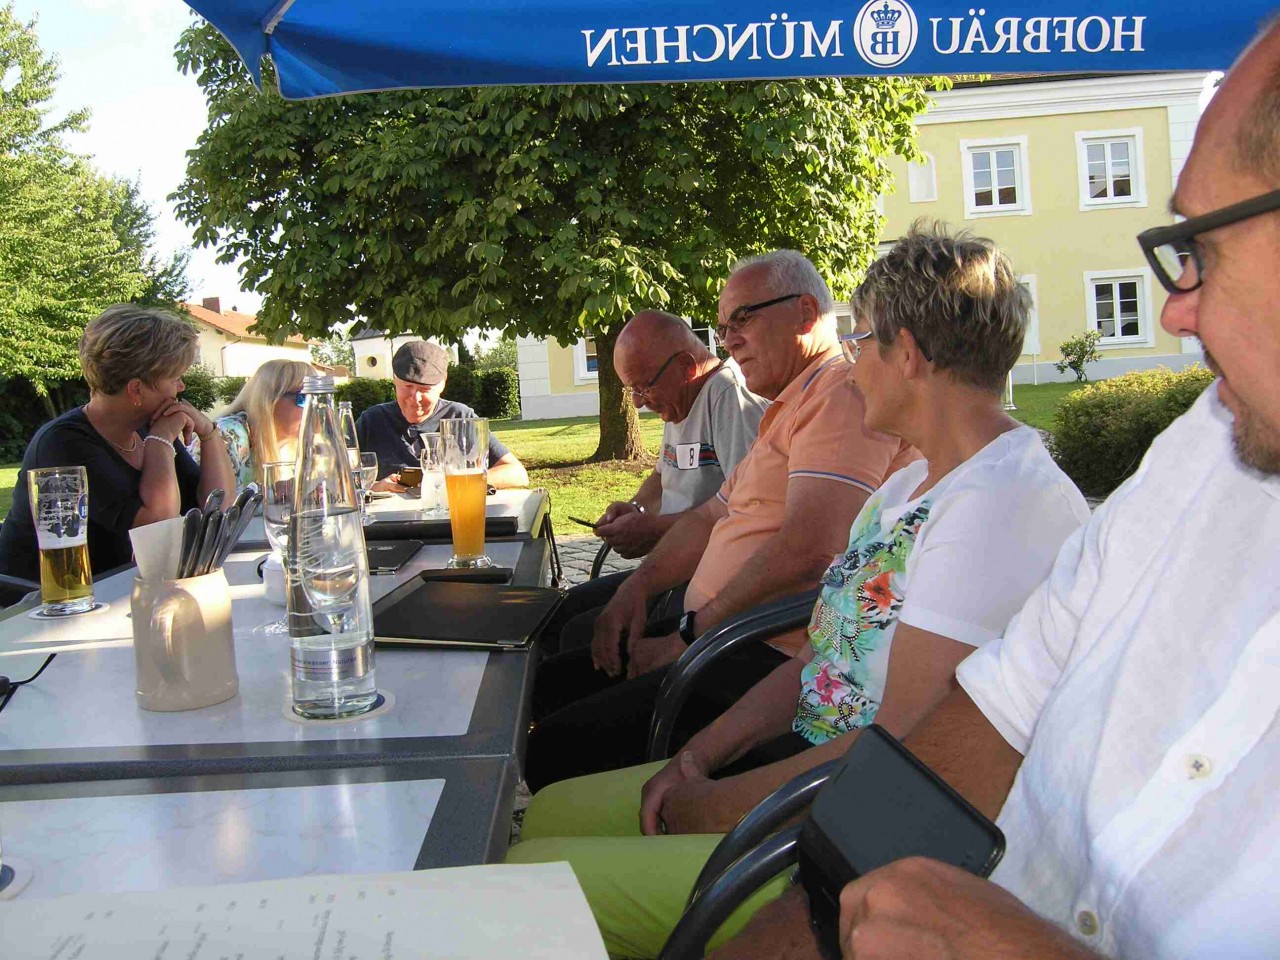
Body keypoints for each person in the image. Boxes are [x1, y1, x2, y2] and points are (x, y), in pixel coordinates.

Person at [738, 19, 1280, 960]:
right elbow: (993, 709)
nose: (1172, 309)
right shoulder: (1199, 452)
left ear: (909, 353)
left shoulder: (1003, 500)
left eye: (1202, 249)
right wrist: (810, 915)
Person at [507, 225, 1091, 959]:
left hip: (854, 841)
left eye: (862, 339)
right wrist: (699, 757)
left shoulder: (998, 508)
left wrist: (719, 803)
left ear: (908, 354)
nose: (850, 361)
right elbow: (822, 654)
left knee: (526, 881)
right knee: (551, 814)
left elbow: (907, 755)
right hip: (807, 767)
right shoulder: (912, 485)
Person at [524, 249, 919, 791]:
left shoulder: (839, 396)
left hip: (759, 650)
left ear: (805, 313)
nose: (728, 340)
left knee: (553, 747)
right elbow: (712, 514)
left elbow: (810, 550)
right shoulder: (789, 403)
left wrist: (687, 636)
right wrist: (637, 588)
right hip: (720, 635)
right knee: (552, 679)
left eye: (743, 320)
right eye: (724, 326)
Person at [540, 309, 767, 657]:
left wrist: (655, 530)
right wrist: (636, 509)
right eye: (631, 389)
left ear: (686, 366)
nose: (637, 401)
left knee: (576, 636)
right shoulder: (679, 398)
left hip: (709, 581)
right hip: (676, 565)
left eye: (643, 386)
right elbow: (663, 476)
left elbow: (750, 516)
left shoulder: (730, 399)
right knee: (559, 612)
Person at [0, 305, 237, 581]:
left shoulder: (147, 426)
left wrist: (208, 432)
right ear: (136, 389)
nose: (181, 387)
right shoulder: (64, 443)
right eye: (175, 378)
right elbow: (157, 528)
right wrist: (160, 440)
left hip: (120, 589)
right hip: (39, 599)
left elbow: (218, 505)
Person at [355, 340, 528, 489]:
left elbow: (516, 473)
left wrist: (455, 483)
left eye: (425, 389)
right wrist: (374, 488)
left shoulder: (460, 417)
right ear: (394, 380)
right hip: (388, 517)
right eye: (407, 387)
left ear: (442, 384)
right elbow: (342, 480)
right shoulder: (371, 421)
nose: (415, 398)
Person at [188, 358, 315, 487]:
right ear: (270, 399)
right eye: (305, 398)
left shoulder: (294, 448)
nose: (313, 408)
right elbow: (213, 497)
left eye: (317, 398)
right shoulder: (228, 435)